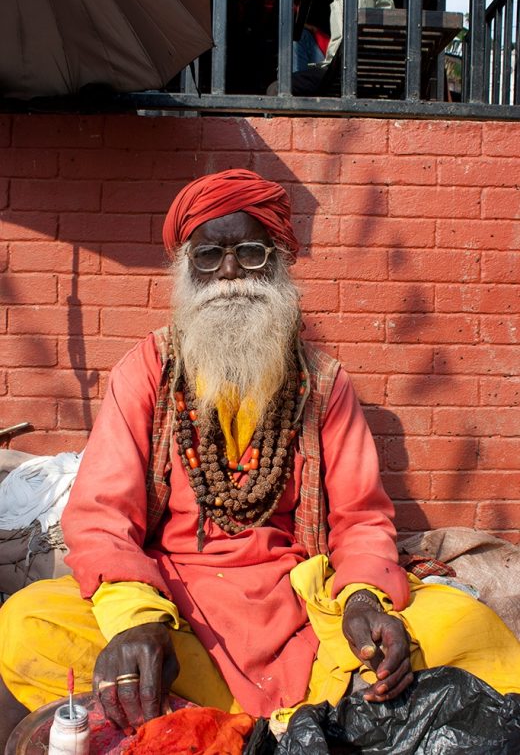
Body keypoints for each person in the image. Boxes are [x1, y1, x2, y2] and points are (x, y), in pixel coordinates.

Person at [0, 169, 519, 749]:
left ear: (277, 264)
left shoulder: (321, 385)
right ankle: (282, 726)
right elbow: (100, 519)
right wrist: (136, 621)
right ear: (184, 269)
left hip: (298, 606)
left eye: (249, 254)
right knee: (26, 624)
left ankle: (213, 729)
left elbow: (361, 521)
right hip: (174, 606)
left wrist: (363, 600)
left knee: (466, 627)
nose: (228, 274)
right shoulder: (146, 371)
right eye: (209, 257)